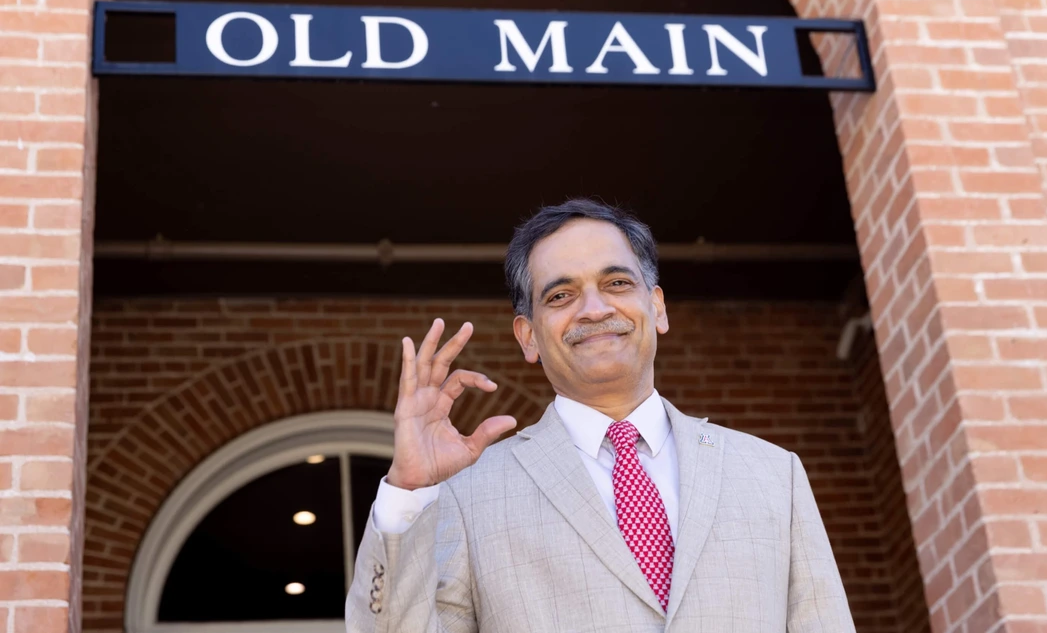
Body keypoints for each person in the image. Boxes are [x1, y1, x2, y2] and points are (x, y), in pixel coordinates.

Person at [346, 199, 854, 632]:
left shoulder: (773, 474)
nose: (593, 308)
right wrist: (408, 489)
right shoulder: (468, 492)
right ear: (528, 336)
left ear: (656, 307)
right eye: (561, 295)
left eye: (615, 283)